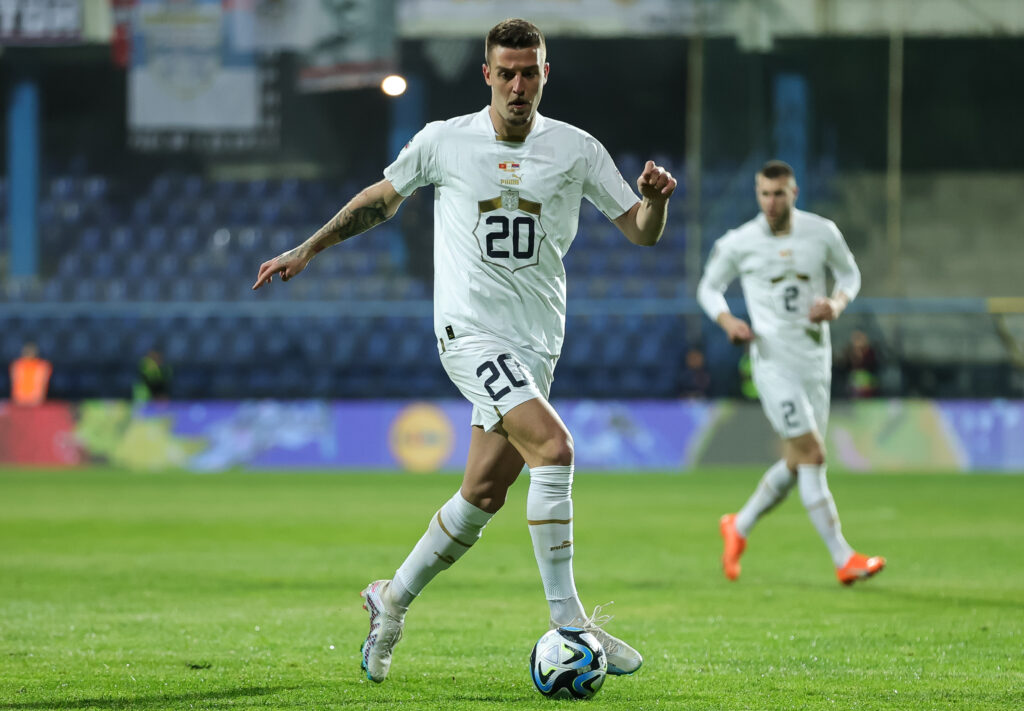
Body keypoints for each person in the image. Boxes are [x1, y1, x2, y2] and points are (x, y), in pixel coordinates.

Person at [252, 18, 676, 683]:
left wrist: (655, 204)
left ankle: (390, 600)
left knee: (482, 493)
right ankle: (570, 620)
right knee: (556, 449)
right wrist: (308, 247)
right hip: (468, 333)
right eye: (505, 73)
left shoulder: (576, 149)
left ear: (544, 74)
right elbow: (379, 202)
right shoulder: (444, 141)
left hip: (537, 343)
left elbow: (642, 233)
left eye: (528, 72)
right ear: (486, 74)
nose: (517, 85)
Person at [697, 160, 885, 586]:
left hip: (815, 361)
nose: (771, 201)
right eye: (764, 193)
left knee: (799, 461)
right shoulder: (739, 242)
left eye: (779, 193)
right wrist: (727, 321)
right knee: (813, 454)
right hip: (772, 362)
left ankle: (738, 526)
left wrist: (837, 304)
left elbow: (849, 274)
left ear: (794, 193)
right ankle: (844, 558)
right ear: (756, 194)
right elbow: (708, 287)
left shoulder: (822, 232)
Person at [839, 329, 879, 398]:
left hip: (867, 385)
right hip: (853, 386)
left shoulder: (870, 353)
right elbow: (845, 367)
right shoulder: (849, 352)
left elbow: (873, 368)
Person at [9, 342, 52, 406]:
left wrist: (36, 398)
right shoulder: (17, 365)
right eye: (27, 351)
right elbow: (16, 382)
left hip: (36, 401)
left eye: (31, 352)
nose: (29, 354)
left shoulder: (42, 366)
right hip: (19, 401)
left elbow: (41, 383)